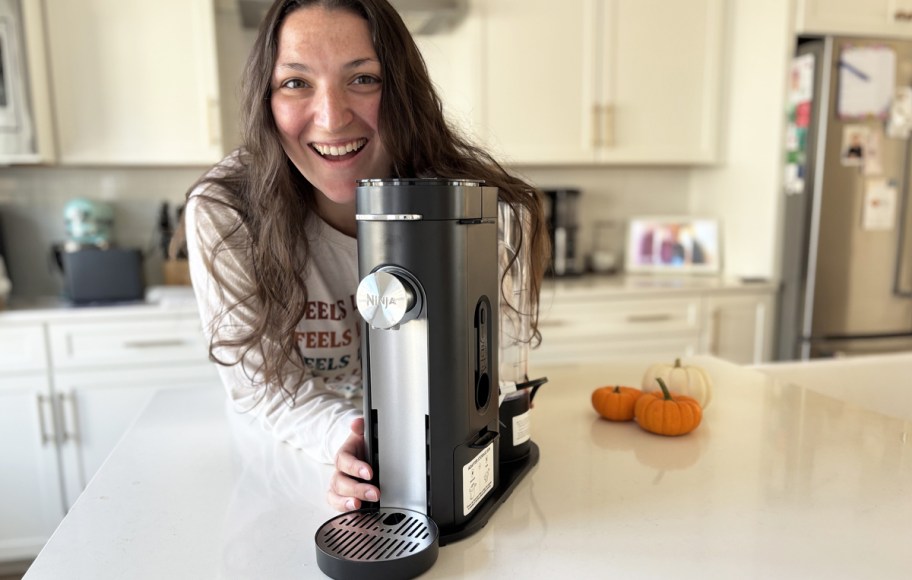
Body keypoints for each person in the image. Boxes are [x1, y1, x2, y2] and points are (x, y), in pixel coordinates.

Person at [171, 0, 549, 513]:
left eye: (364, 79)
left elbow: (491, 370)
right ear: (266, 101)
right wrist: (344, 441)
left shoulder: (473, 207)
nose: (331, 117)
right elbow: (264, 390)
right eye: (295, 82)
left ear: (401, 92)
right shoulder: (229, 213)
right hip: (289, 466)